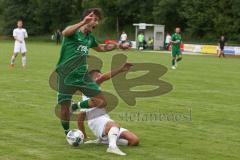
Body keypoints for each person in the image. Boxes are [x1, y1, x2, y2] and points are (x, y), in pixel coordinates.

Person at [55, 8, 118, 135]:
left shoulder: (90, 37)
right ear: (86, 18)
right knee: (64, 109)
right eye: (94, 18)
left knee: (101, 101)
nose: (96, 22)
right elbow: (65, 32)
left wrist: (115, 46)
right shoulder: (73, 31)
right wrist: (82, 22)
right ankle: (68, 133)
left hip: (82, 75)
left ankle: (76, 106)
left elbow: (100, 47)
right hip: (66, 75)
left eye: (97, 20)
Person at [76, 62, 139, 156]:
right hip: (97, 122)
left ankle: (105, 140)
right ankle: (112, 147)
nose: (100, 77)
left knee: (134, 141)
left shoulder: (94, 92)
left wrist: (84, 135)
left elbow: (80, 119)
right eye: (97, 75)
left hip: (105, 119)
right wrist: (120, 69)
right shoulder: (88, 88)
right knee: (114, 125)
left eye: (100, 75)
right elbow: (80, 118)